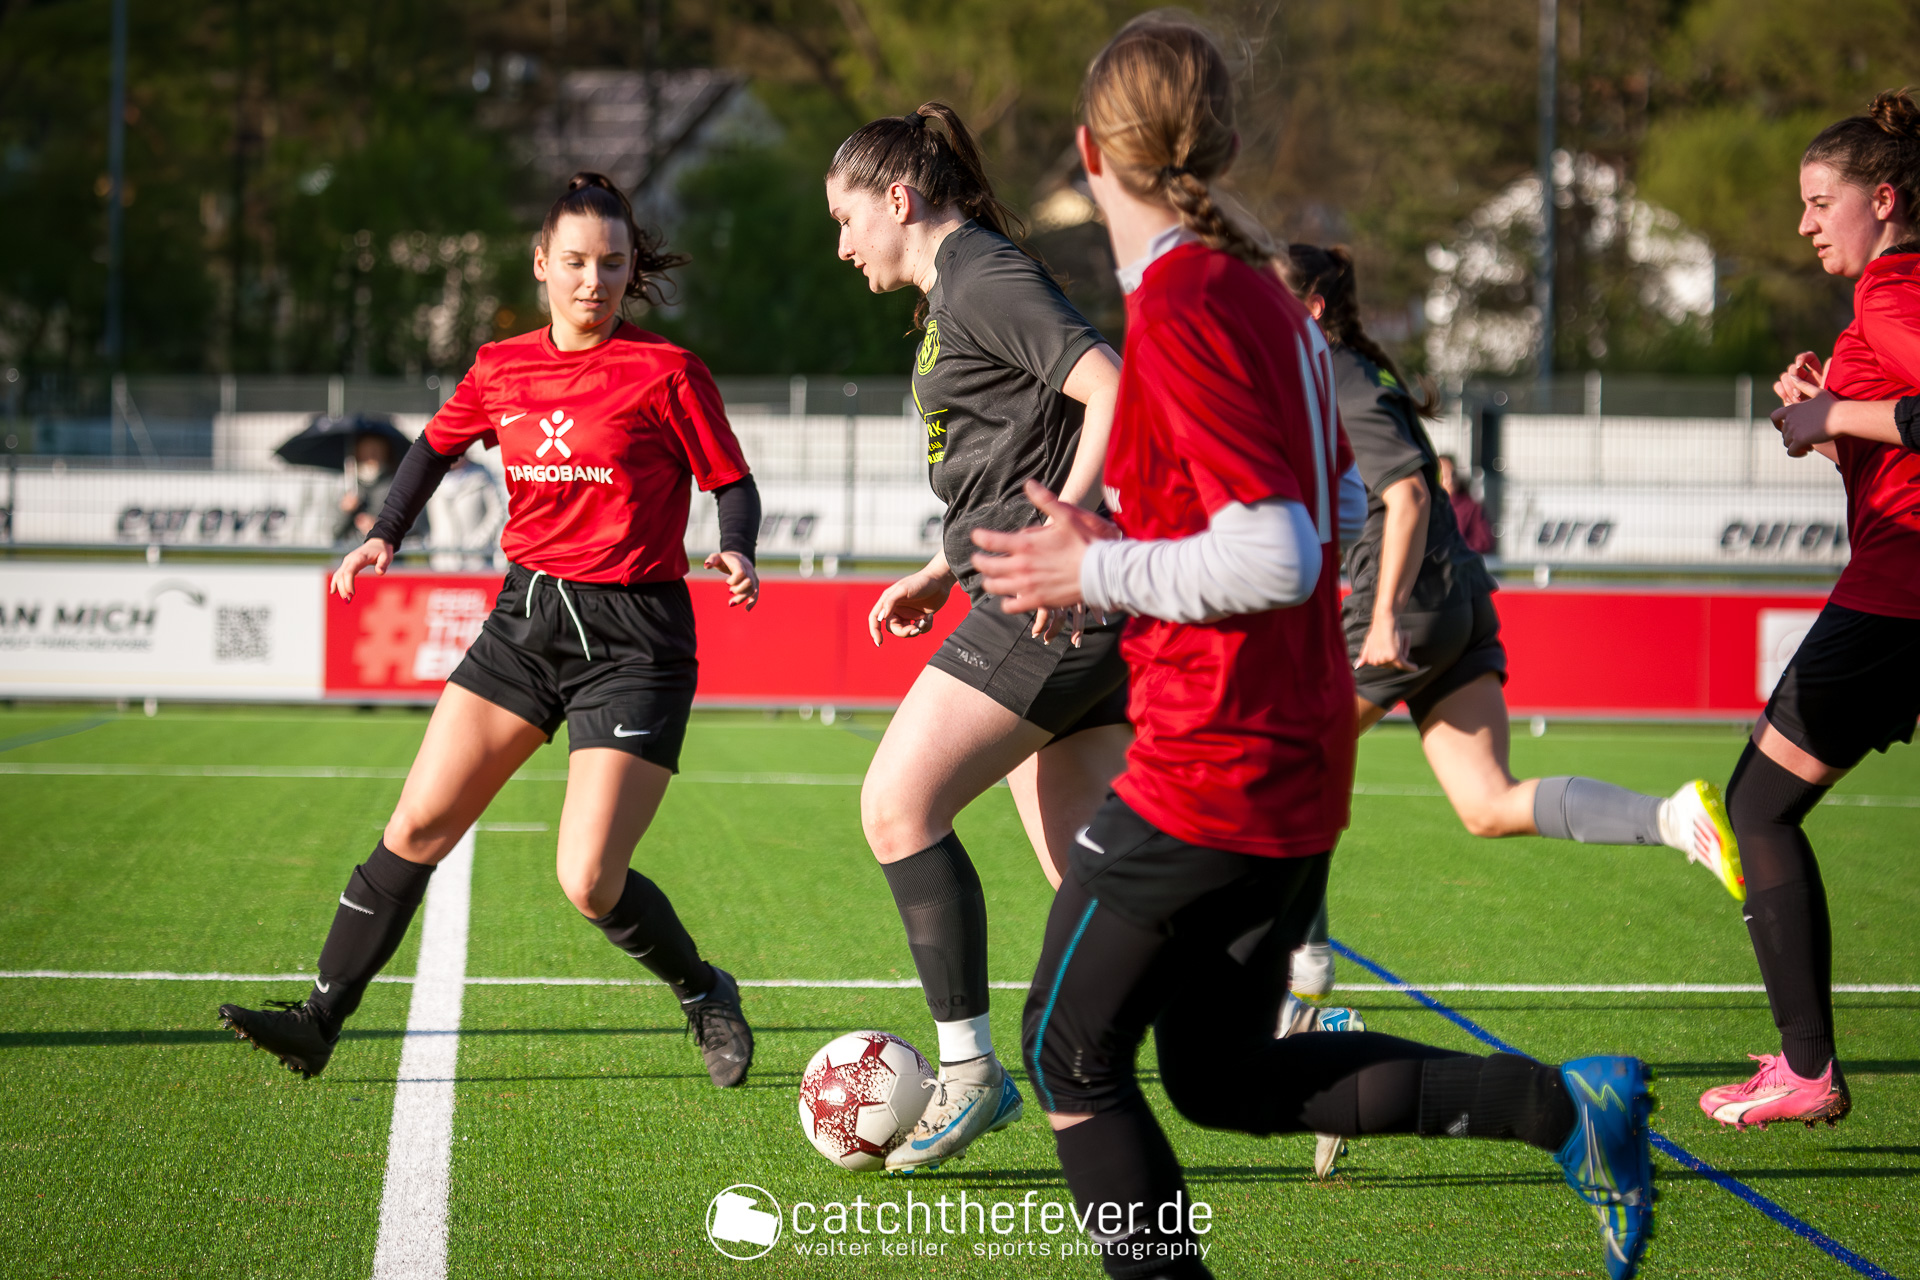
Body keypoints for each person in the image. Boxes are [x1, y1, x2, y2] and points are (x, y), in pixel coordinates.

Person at [970, 21, 1655, 1280]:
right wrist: (1133, 538)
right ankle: (1561, 1105)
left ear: (1088, 152)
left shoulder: (1185, 303)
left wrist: (1096, 569)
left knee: (1067, 1060)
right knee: (1223, 1076)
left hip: (1210, 759)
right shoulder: (1266, 303)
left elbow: (1281, 550)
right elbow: (1327, 504)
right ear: (1222, 142)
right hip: (1292, 753)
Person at [218, 172, 764, 1089]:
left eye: (613, 263)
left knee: (588, 879)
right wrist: (383, 534)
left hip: (636, 640)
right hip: (526, 621)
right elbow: (431, 448)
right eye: (577, 261)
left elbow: (731, 482)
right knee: (416, 823)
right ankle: (318, 1021)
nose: (594, 280)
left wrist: (738, 548)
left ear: (630, 269)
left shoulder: (667, 371)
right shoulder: (500, 366)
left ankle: (705, 991)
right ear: (541, 262)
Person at [1272, 242, 1744, 1024]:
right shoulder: (1351, 371)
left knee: (1283, 761)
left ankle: (1305, 984)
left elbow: (1410, 496)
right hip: (1457, 599)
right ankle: (1672, 818)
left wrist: (1383, 613)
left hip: (1411, 606)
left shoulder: (1339, 376)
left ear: (1313, 308)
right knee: (1488, 803)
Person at [825, 102, 1130, 1170]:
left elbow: (1112, 387)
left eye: (846, 219)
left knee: (896, 805)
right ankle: (1284, 1026)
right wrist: (939, 567)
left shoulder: (981, 273)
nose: (842, 246)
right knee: (1098, 886)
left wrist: (1063, 529)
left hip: (1051, 602)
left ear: (898, 198)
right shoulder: (959, 286)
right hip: (1057, 599)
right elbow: (1015, 450)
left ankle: (966, 1071)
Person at [1700, 90, 1920, 1130]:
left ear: (1883, 199)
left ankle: (1806, 1068)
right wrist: (1834, 431)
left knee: (1756, 806)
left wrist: (1836, 409)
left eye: (1820, 201)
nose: (1803, 223)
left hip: (1897, 600)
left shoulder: (1891, 290)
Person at [427, 451, 506, 570]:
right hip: (443, 559)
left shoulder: (481, 475)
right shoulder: (432, 476)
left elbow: (498, 511)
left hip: (475, 559)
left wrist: (480, 539)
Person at [335, 430, 398, 544]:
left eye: (376, 449)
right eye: (366, 449)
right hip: (351, 548)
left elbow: (415, 528)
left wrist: (381, 528)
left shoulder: (397, 484)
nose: (372, 455)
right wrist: (345, 512)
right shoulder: (347, 484)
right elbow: (334, 532)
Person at [1437, 452, 1495, 554]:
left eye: (1453, 474)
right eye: (1444, 476)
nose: (1450, 480)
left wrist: (1460, 550)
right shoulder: (1429, 506)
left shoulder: (1470, 507)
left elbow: (1484, 541)